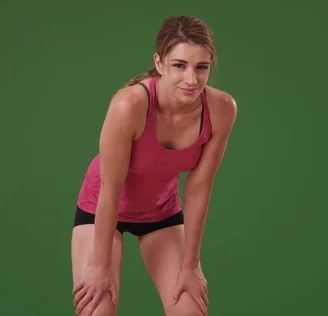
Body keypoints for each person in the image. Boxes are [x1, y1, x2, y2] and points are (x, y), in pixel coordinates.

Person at [70, 15, 237, 316]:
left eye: (202, 67)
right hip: (103, 207)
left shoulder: (222, 109)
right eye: (179, 65)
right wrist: (99, 266)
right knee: (98, 311)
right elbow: (111, 187)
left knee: (190, 310)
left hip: (160, 211)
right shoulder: (129, 105)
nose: (192, 79)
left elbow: (199, 187)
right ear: (159, 64)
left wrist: (191, 265)